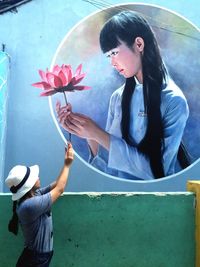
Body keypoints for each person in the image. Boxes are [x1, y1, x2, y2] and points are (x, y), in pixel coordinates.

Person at [57, 10, 190, 180]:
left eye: (114, 53)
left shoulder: (173, 100)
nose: (112, 63)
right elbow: (108, 164)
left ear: (139, 44)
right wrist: (85, 131)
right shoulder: (118, 97)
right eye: (108, 56)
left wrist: (97, 133)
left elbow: (157, 171)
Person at [5, 143, 74, 267]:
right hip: (35, 260)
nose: (38, 176)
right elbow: (60, 189)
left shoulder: (35, 194)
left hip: (37, 257)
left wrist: (66, 162)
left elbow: (58, 183)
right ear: (29, 184)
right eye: (34, 176)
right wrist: (67, 165)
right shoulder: (30, 206)